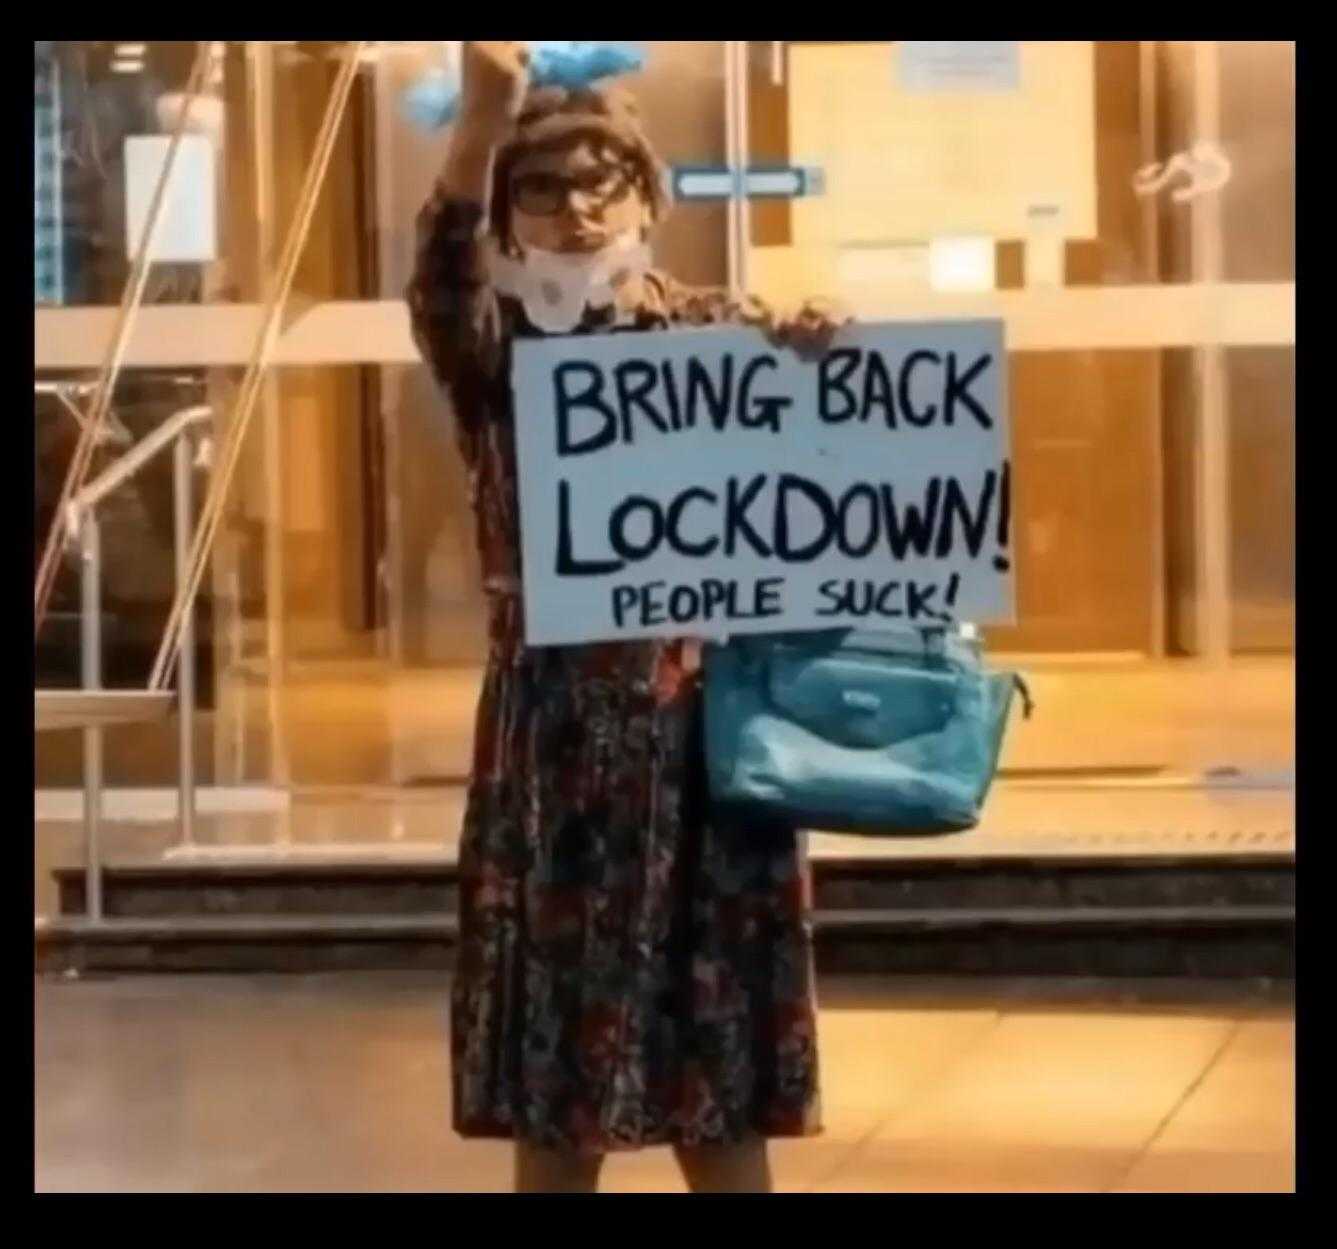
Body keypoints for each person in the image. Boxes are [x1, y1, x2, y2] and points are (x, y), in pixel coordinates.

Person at [407, 41, 842, 1195]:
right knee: (559, 1072)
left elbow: (822, 468)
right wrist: (480, 124)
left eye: (602, 177)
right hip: (553, 748)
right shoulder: (495, 358)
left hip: (701, 736)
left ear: (645, 194)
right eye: (540, 186)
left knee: (718, 1067)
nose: (577, 205)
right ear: (508, 211)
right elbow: (438, 274)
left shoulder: (717, 331)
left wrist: (814, 345)